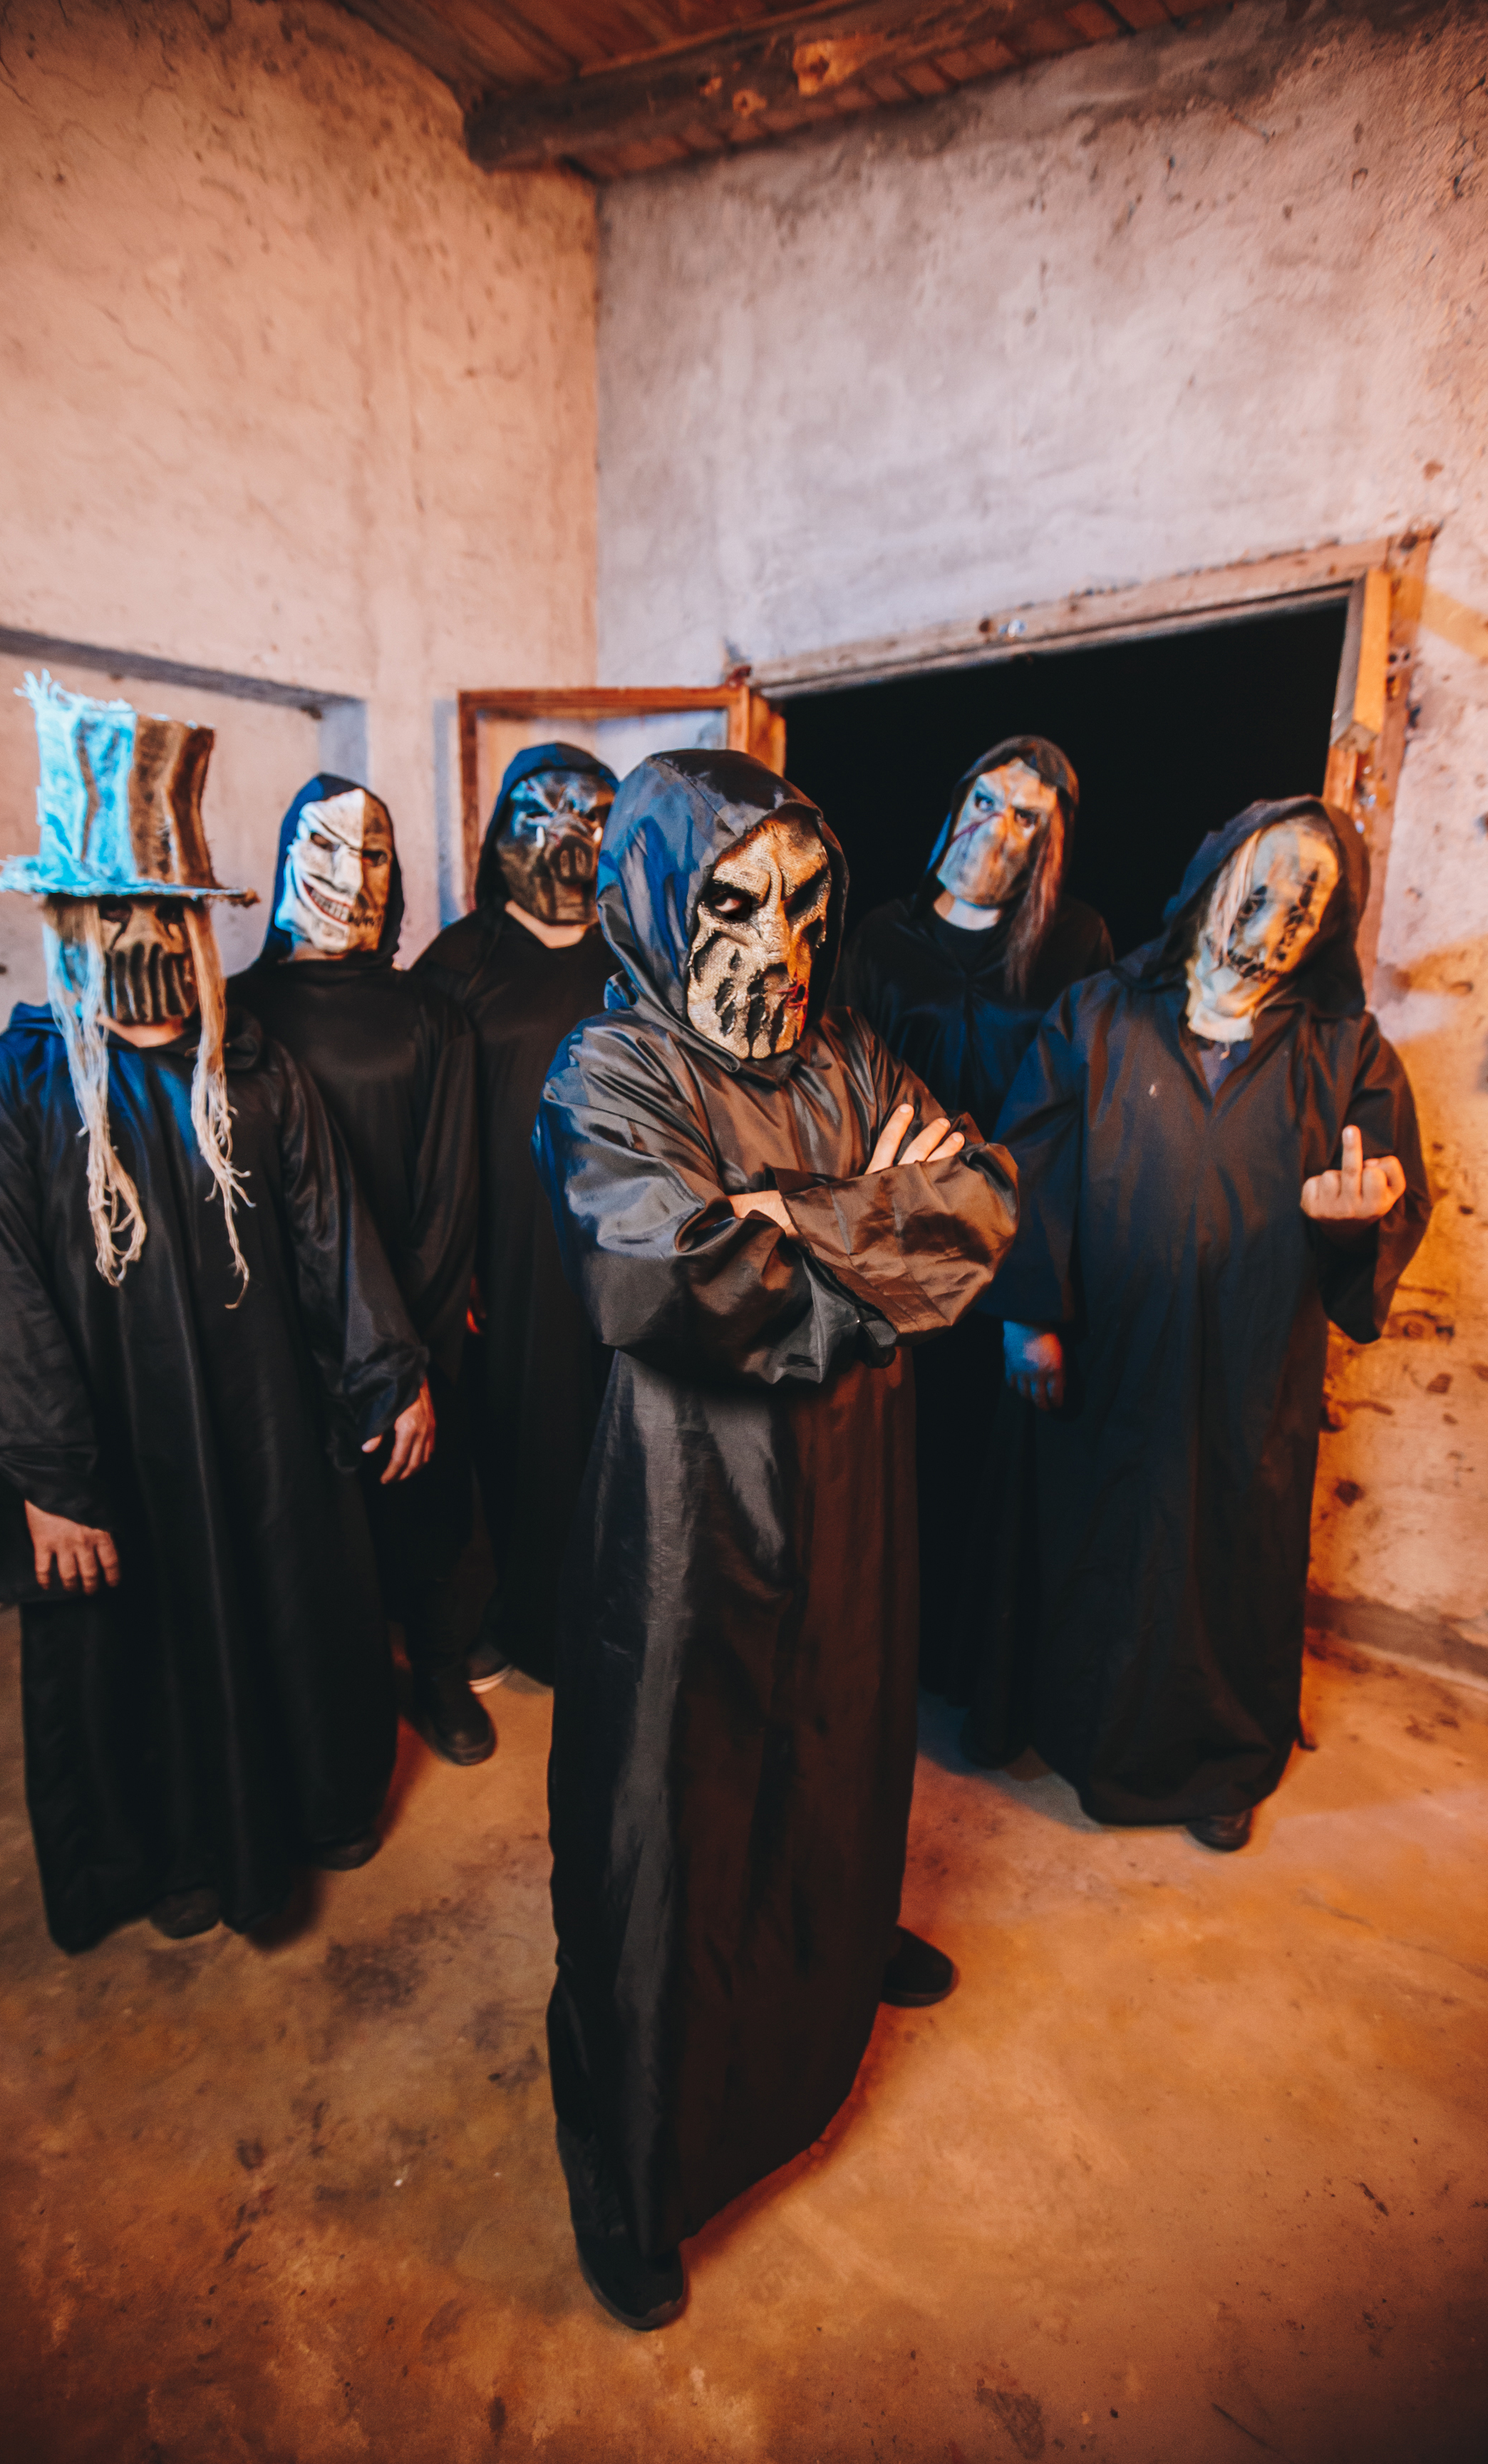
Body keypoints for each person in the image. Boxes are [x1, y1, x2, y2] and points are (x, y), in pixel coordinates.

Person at [532, 750, 1018, 2329]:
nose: (782, 948)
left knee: (844, 1726)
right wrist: (862, 1215)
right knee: (677, 1785)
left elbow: (981, 1204)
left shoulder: (847, 1050)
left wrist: (782, 1217)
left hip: (857, 1470)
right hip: (692, 1492)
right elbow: (672, 1279)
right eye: (737, 904)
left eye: (808, 908)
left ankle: (835, 1943)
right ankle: (638, 2158)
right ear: (663, 899)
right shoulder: (612, 1070)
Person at [0, 675, 434, 1953]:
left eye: (169, 910)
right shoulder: (3, 1096)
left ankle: (310, 1811)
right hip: (117, 1458)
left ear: (201, 926)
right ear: (69, 923)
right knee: (135, 1648)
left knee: (289, 1607)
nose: (146, 939)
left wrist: (387, 1372)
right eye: (117, 911)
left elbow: (330, 1234)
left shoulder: (257, 1075)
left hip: (262, 1436)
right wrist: (46, 1481)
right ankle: (173, 1856)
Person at [982, 795, 1429, 1850]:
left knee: (1233, 1560)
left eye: (1308, 903)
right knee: (1095, 1539)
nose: (1280, 917)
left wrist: (1358, 1220)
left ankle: (1219, 1761)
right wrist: (1029, 1315)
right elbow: (1029, 1165)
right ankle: (1079, 1726)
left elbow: (1388, 1192)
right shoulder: (1098, 1014)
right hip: (1109, 1351)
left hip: (1250, 1367)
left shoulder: (1346, 1050)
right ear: (1215, 875)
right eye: (1264, 884)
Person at [835, 736, 1111, 1706]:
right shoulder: (881, 938)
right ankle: (882, 1666)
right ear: (956, 802)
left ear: (1049, 841)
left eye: (1024, 815)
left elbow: (1071, 1130)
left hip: (1009, 1259)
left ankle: (975, 1682)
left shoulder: (1073, 944)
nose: (995, 826)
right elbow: (837, 1101)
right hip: (897, 1253)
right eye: (985, 800)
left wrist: (1033, 1305)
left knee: (989, 1470)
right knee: (889, 1463)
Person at [229, 775, 490, 1766]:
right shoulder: (231, 1010)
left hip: (409, 1324)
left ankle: (438, 1667)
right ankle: (329, 1692)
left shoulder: (433, 1016)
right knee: (304, 1521)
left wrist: (400, 1355)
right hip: (279, 1325)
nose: (352, 873)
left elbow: (449, 1192)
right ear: (286, 857)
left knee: (426, 1505)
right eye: (328, 848)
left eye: (373, 853)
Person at [415, 743, 618, 1688]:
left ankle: (608, 1617)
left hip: (619, 1236)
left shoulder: (636, 951)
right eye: (543, 810)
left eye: (590, 813)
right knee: (511, 1432)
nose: (567, 833)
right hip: (502, 1245)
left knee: (611, 1428)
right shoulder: (461, 960)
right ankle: (513, 1614)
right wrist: (452, 1257)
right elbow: (425, 1123)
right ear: (503, 826)